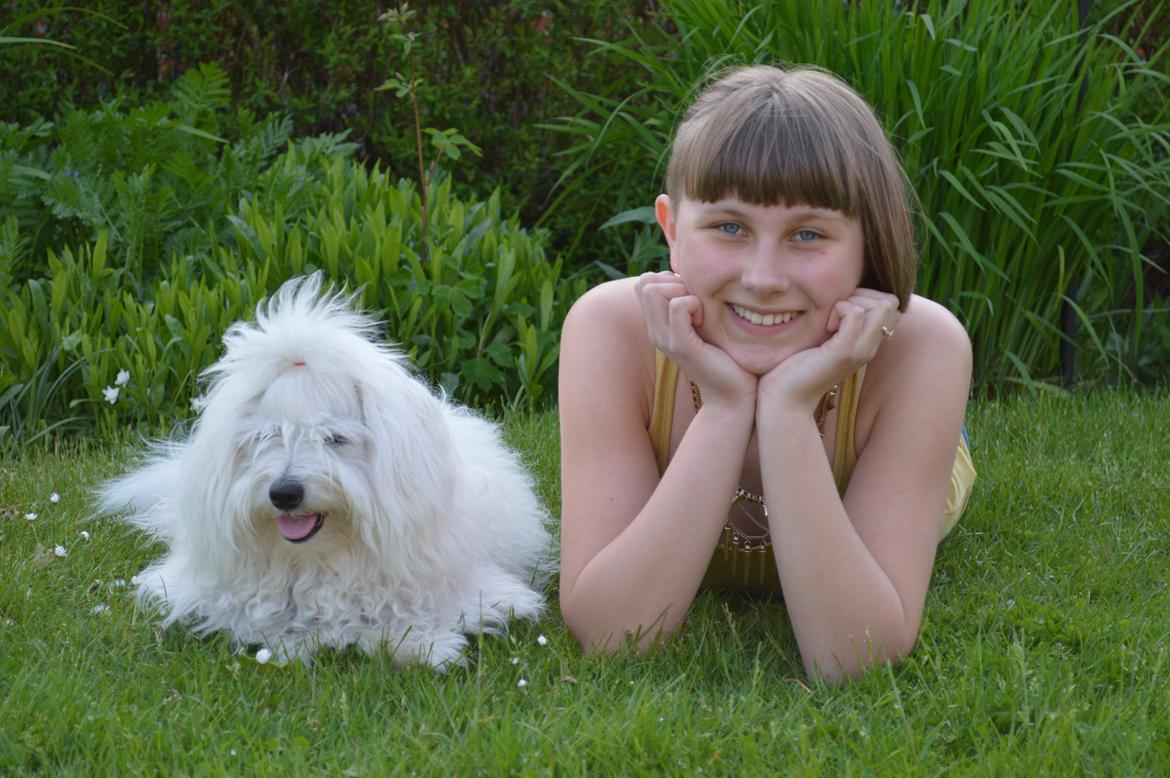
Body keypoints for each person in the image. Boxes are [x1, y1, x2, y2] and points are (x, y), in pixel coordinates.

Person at [557, 64, 976, 682]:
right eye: (729, 227)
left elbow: (853, 658)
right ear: (671, 228)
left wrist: (787, 408)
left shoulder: (921, 348)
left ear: (869, 243)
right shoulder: (611, 329)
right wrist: (727, 404)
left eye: (807, 234)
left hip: (895, 416)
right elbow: (613, 635)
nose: (763, 278)